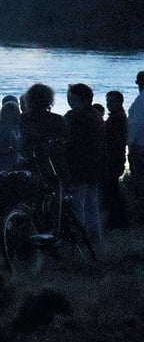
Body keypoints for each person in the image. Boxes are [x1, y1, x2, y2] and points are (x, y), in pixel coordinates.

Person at [64, 83, 105, 244]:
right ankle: (94, 236)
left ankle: (80, 237)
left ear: (81, 99)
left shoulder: (79, 117)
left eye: (71, 98)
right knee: (90, 203)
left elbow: (72, 141)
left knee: (78, 203)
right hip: (94, 166)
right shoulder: (95, 115)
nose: (69, 101)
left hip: (80, 165)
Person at [19, 83, 68, 178]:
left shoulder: (23, 118)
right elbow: (63, 142)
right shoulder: (57, 119)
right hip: (53, 163)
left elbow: (23, 142)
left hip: (30, 162)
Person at [103, 91, 129, 228]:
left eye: (112, 101)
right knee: (112, 188)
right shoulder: (117, 117)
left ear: (119, 102)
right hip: (115, 157)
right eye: (108, 101)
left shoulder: (117, 119)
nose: (109, 104)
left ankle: (117, 219)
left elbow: (114, 140)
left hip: (113, 157)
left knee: (112, 189)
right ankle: (118, 218)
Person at [128, 71, 144, 196]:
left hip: (139, 147)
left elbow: (137, 123)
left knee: (140, 182)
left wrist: (130, 143)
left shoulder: (141, 99)